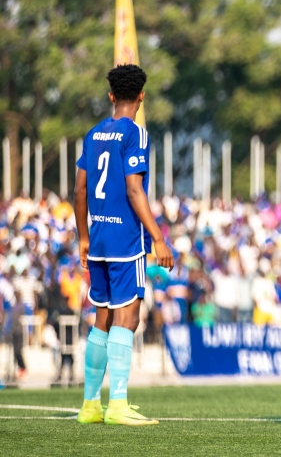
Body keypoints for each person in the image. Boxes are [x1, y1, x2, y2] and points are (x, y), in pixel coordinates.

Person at [75, 64, 174, 426]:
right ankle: (117, 404)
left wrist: (83, 236)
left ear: (111, 95)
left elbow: (80, 190)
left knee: (102, 317)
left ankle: (89, 406)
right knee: (127, 318)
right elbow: (135, 189)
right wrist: (159, 238)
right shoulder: (136, 135)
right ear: (142, 96)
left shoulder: (93, 134)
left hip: (98, 236)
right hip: (125, 239)